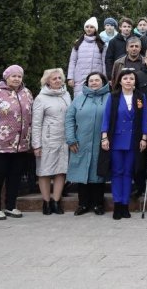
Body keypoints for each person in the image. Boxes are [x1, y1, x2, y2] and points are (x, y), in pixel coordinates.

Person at [0, 64, 34, 220]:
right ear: (6, 77)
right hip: (0, 145)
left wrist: (31, 141)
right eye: (13, 76)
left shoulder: (27, 93)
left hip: (21, 145)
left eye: (19, 76)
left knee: (15, 176)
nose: (16, 79)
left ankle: (11, 206)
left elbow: (32, 118)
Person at [100, 69, 147, 220]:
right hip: (116, 140)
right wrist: (104, 137)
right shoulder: (113, 97)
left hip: (133, 141)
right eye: (125, 78)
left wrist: (144, 138)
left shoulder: (141, 97)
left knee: (128, 173)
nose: (128, 81)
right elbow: (106, 117)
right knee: (117, 172)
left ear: (135, 82)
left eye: (131, 78)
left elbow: (145, 118)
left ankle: (125, 205)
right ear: (119, 81)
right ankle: (117, 205)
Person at [65, 72, 111, 215]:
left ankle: (98, 204)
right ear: (87, 83)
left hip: (101, 142)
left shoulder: (110, 97)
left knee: (98, 174)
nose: (94, 83)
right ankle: (83, 204)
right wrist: (71, 139)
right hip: (81, 142)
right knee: (81, 173)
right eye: (91, 80)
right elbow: (69, 119)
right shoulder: (79, 99)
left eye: (97, 80)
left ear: (103, 82)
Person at [32, 68, 72, 215]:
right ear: (47, 81)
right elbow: (36, 123)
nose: (57, 81)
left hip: (64, 139)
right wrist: (36, 145)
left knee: (61, 171)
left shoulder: (66, 94)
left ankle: (56, 201)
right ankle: (46, 202)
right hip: (47, 139)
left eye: (59, 78)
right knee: (44, 172)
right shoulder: (41, 98)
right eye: (54, 78)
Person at [67, 17, 105, 96]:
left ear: (95, 29)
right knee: (80, 102)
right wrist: (70, 77)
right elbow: (72, 61)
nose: (89, 29)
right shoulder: (78, 43)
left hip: (96, 78)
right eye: (87, 27)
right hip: (80, 78)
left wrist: (104, 78)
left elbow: (104, 62)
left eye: (91, 27)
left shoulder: (101, 44)